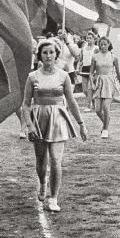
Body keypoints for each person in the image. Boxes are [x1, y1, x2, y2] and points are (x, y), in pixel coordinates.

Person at [21, 39, 88, 213]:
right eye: (45, 52)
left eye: (51, 52)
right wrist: (29, 125)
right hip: (38, 119)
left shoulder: (63, 76)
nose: (48, 55)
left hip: (58, 119)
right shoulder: (32, 76)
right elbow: (26, 104)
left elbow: (71, 101)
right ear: (40, 56)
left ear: (56, 54)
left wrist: (81, 123)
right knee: (41, 161)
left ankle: (54, 198)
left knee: (56, 160)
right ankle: (43, 183)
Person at [89, 36, 120, 138]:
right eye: (101, 44)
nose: (103, 46)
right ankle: (106, 121)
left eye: (105, 44)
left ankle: (105, 129)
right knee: (98, 110)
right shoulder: (95, 56)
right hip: (99, 82)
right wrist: (92, 83)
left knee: (106, 107)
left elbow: (118, 73)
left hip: (109, 82)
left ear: (108, 44)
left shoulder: (113, 57)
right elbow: (91, 72)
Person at [78, 32, 97, 111]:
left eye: (90, 38)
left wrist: (96, 70)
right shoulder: (83, 48)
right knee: (85, 90)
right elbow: (80, 60)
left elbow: (98, 59)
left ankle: (89, 106)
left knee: (90, 89)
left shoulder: (96, 48)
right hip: (84, 68)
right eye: (87, 38)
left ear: (94, 39)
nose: (88, 40)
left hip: (92, 69)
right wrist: (78, 68)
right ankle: (93, 103)